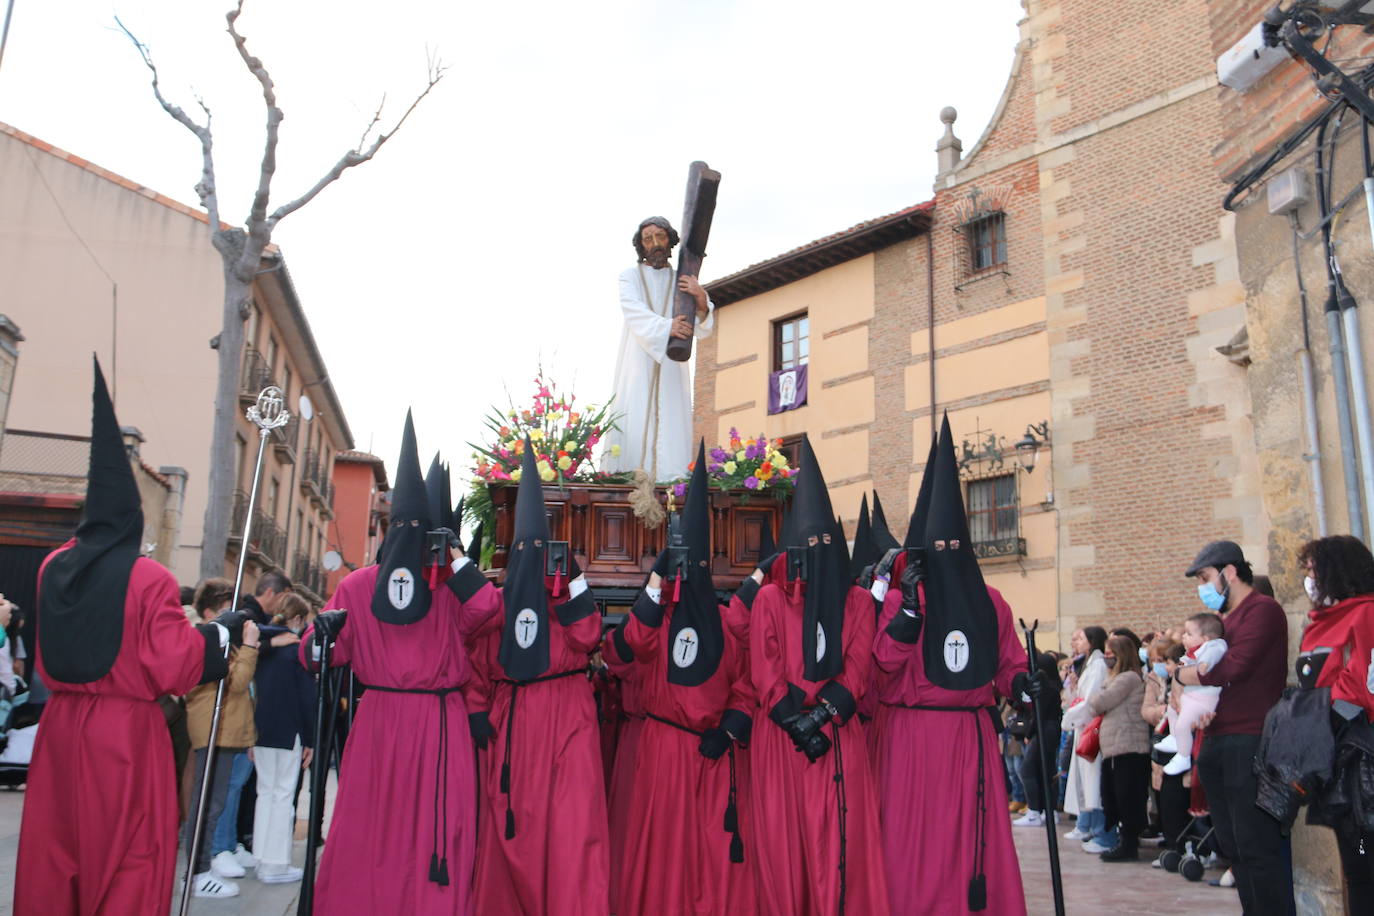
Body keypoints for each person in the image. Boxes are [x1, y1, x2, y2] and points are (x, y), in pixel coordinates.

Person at [15, 358, 243, 915]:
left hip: (60, 729)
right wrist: (221, 635)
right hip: (124, 736)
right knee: (131, 858)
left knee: (55, 855)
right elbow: (176, 667)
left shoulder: (51, 567)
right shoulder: (149, 577)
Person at [300, 410, 504, 914]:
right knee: (375, 830)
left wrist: (454, 562)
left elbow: (488, 612)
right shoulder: (359, 587)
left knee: (434, 831)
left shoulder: (439, 589)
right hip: (398, 725)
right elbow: (317, 652)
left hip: (430, 724)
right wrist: (317, 638)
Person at [873, 416, 1027, 915]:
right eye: (937, 548)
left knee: (969, 844)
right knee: (911, 846)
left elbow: (1007, 664)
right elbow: (880, 667)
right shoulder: (900, 601)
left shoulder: (992, 602)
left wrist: (1025, 683)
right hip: (911, 742)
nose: (946, 556)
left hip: (970, 741)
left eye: (954, 548)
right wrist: (911, 613)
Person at [468, 437, 609, 915]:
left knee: (572, 827)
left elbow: (589, 636)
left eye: (538, 547)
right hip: (513, 721)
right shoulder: (500, 599)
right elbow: (479, 662)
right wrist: (475, 711)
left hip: (568, 717)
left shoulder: (565, 584)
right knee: (515, 826)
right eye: (525, 548)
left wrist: (566, 580)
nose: (532, 555)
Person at [614, 443, 756, 913]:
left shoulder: (727, 624)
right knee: (661, 857)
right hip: (662, 753)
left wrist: (730, 729)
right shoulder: (661, 618)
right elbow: (633, 644)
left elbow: (746, 687)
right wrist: (656, 583)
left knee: (708, 860)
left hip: (710, 756)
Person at [750, 436, 888, 915]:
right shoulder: (769, 599)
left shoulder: (856, 602)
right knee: (784, 846)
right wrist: (794, 721)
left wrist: (821, 718)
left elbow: (859, 666)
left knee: (839, 846)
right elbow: (763, 664)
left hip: (835, 737)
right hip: (781, 740)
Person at [1175, 539, 1292, 914]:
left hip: (1251, 741)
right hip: (1218, 740)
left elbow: (1232, 668)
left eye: (1206, 578)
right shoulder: (1228, 621)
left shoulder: (1263, 610)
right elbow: (1216, 680)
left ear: (1229, 573)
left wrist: (1183, 674)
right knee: (1234, 848)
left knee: (1258, 847)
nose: (1203, 588)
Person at [1292, 535, 1374, 909]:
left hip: (1360, 758)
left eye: (1314, 570)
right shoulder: (1319, 623)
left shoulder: (1366, 613)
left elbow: (1361, 683)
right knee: (1355, 861)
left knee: (1364, 858)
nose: (1310, 579)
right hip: (1331, 756)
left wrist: (1321, 715)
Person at [602, 216, 715, 480]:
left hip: (672, 366)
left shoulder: (683, 279)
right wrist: (667, 328)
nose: (655, 244)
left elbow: (703, 326)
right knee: (636, 414)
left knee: (673, 423)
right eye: (648, 239)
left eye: (660, 237)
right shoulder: (629, 276)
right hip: (638, 360)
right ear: (640, 246)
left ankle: (673, 482)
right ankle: (630, 480)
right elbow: (633, 311)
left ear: (671, 240)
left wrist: (700, 298)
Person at [184, 577, 262, 897]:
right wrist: (251, 647)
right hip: (212, 729)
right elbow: (236, 682)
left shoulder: (219, 642)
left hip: (227, 729)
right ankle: (197, 870)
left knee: (213, 803)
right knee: (207, 804)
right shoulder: (204, 640)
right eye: (225, 612)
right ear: (208, 612)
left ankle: (203, 865)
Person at [249, 590, 316, 884]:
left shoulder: (261, 646)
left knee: (265, 793)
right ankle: (275, 863)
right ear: (299, 619)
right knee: (283, 795)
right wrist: (312, 738)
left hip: (260, 729)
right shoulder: (296, 651)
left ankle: (261, 856)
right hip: (290, 730)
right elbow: (307, 698)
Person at [1085, 634, 1150, 861]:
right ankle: (1122, 840)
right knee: (1113, 795)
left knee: (1127, 797)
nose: (1106, 658)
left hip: (1128, 746)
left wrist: (1095, 695)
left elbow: (1099, 702)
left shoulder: (1128, 678)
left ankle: (1128, 844)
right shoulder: (1117, 679)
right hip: (1116, 747)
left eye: (1111, 654)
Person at [1156, 612, 1226, 776]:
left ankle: (1183, 755)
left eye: (1189, 634)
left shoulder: (1215, 646)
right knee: (1172, 710)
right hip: (1190, 694)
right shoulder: (1194, 651)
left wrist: (1197, 667)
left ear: (1206, 638)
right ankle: (1174, 738)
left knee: (1183, 724)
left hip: (1204, 698)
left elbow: (1204, 666)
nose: (1184, 637)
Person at [1141, 636, 1191, 866]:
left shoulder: (1184, 681)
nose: (1163, 667)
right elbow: (1147, 710)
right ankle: (1172, 841)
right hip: (1162, 743)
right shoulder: (1157, 680)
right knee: (1165, 799)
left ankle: (1178, 845)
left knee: (1176, 800)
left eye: (1165, 661)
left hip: (1181, 747)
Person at [1061, 625, 1110, 850]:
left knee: (1093, 782)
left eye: (1079, 638)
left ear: (1092, 641)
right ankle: (1088, 825)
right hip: (1081, 725)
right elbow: (1079, 697)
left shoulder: (1098, 665)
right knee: (1084, 780)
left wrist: (1069, 719)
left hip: (1091, 726)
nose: (1075, 643)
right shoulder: (1087, 665)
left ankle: (1099, 830)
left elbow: (1090, 701)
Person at [1012, 650, 1063, 828]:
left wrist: (1029, 733)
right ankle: (1048, 810)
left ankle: (1034, 810)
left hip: (1044, 730)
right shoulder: (1054, 686)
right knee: (1045, 771)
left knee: (1027, 769)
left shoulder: (1046, 687)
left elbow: (1038, 713)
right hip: (1049, 729)